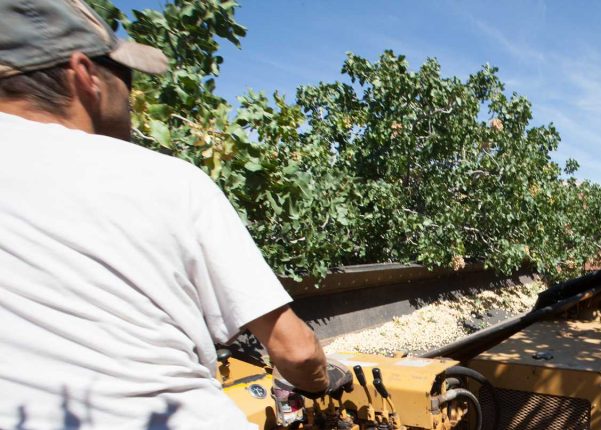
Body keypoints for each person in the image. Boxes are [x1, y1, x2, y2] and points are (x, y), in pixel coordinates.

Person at [0, 1, 348, 428]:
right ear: (84, 74)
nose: (131, 95)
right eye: (125, 76)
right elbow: (296, 350)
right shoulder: (162, 178)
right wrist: (319, 382)